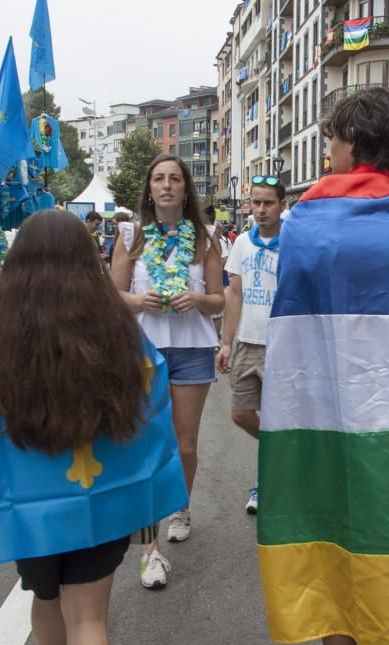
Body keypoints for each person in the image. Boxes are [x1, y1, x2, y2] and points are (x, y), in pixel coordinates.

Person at [257, 87, 389, 645]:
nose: (330, 153)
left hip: (319, 416)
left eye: (332, 141)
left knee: (327, 539)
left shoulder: (303, 224)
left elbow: (292, 324)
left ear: (353, 143)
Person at [0, 209, 188, 645]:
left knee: (45, 600)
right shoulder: (113, 323)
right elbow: (150, 384)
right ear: (87, 258)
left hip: (30, 506)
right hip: (100, 498)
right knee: (88, 619)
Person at [110, 154, 225, 589]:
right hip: (143, 349)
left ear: (185, 188)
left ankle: (180, 505)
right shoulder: (130, 235)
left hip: (193, 349)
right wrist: (140, 302)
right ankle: (149, 550)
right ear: (149, 188)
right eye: (158, 178)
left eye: (175, 178)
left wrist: (197, 300)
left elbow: (219, 298)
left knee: (185, 445)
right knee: (146, 446)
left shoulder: (207, 238)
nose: (166, 186)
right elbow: (114, 294)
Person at [215, 175, 285, 514]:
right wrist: (226, 343)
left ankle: (267, 484)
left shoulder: (293, 242)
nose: (260, 209)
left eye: (268, 202)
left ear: (281, 206)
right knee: (241, 414)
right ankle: (286, 453)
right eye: (256, 202)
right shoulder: (242, 242)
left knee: (276, 418)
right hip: (246, 342)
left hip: (281, 347)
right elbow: (235, 294)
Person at [204, 205, 231, 340]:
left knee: (216, 314)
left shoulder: (220, 241)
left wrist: (212, 270)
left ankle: (215, 338)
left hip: (219, 280)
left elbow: (225, 258)